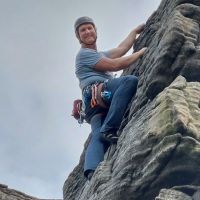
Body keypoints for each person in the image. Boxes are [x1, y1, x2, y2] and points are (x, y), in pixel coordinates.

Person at [74, 16, 147, 180]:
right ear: (79, 37)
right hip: (99, 92)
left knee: (97, 134)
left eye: (89, 28)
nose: (87, 32)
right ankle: (110, 128)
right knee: (129, 81)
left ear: (95, 30)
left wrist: (134, 32)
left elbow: (121, 49)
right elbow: (116, 65)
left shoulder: (98, 54)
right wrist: (142, 52)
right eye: (82, 30)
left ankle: (91, 172)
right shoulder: (84, 55)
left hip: (92, 105)